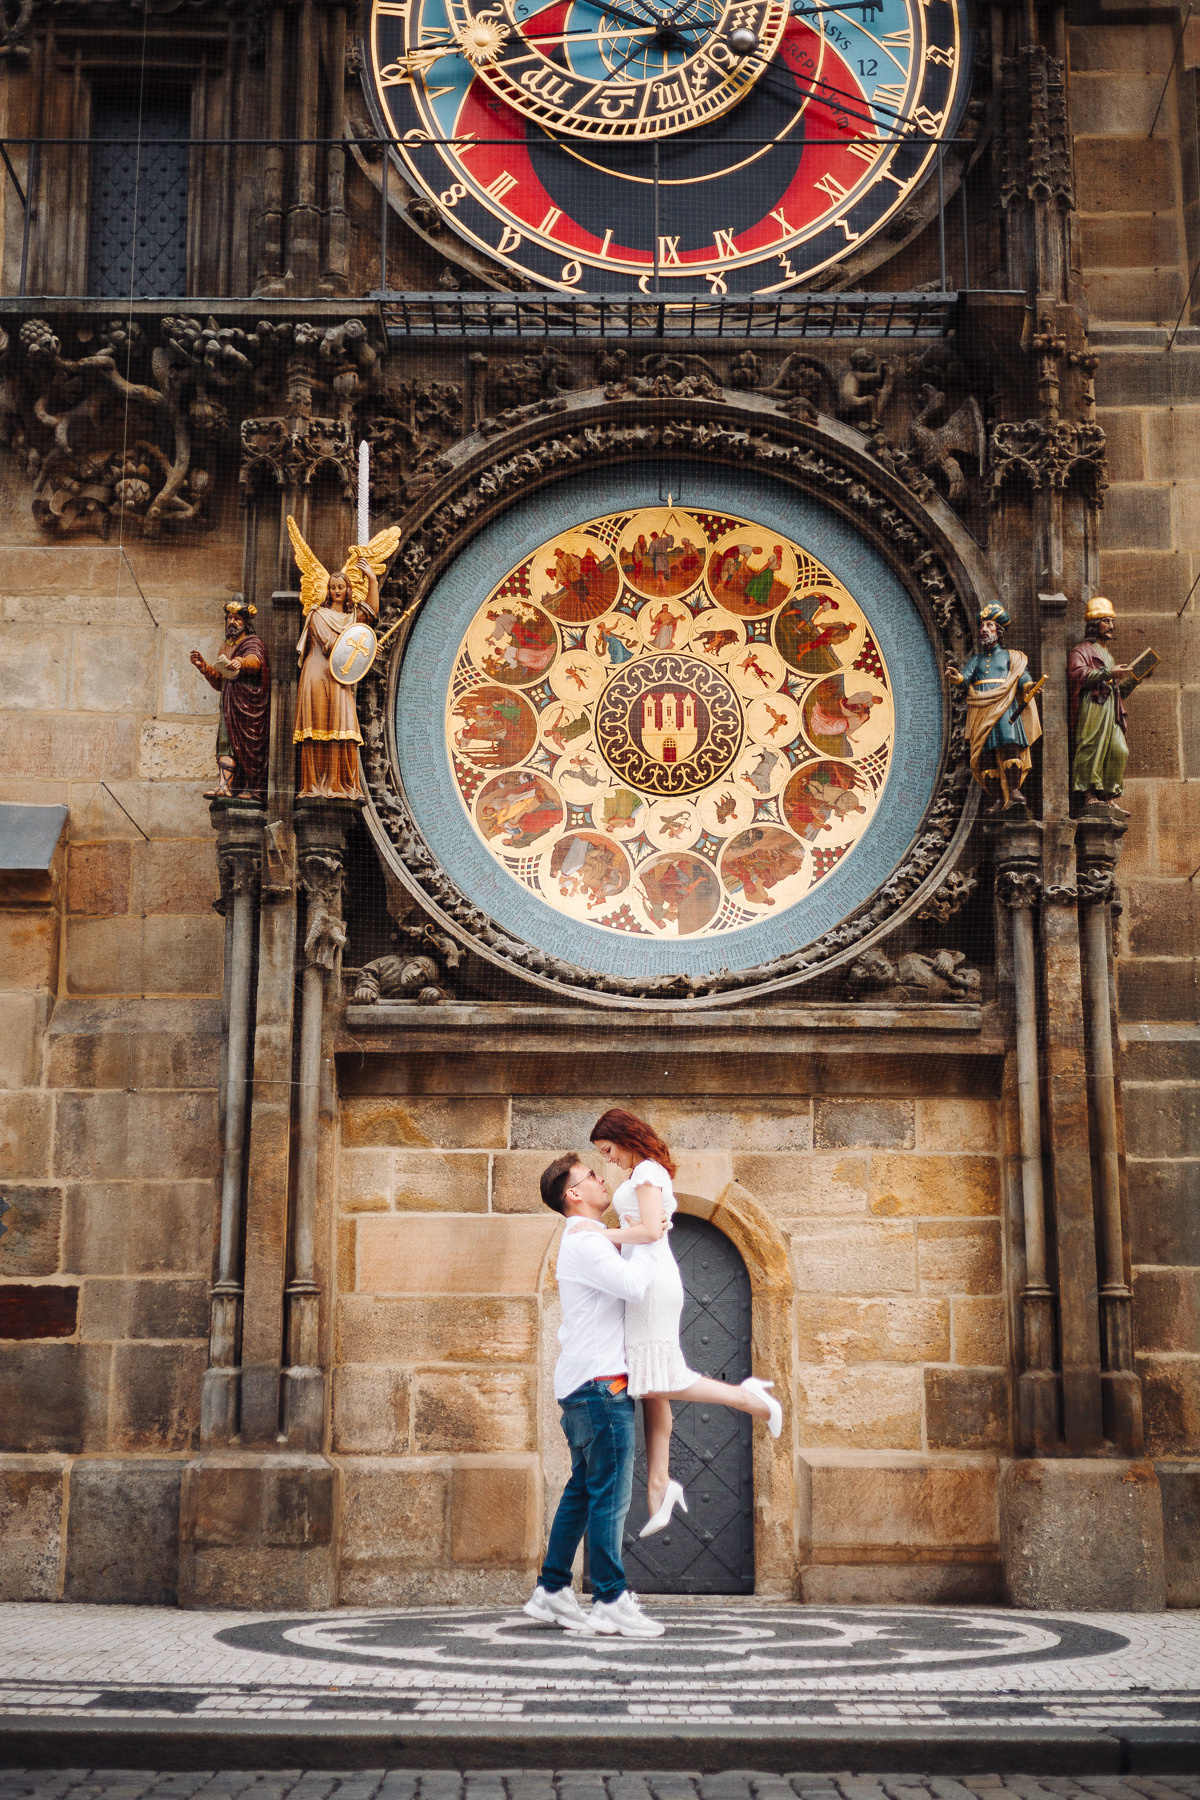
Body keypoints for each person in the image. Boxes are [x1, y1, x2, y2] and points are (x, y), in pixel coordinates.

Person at [589, 1108, 782, 1537]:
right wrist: (626, 1231)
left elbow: (653, 1233)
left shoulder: (647, 1174)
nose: (608, 1161)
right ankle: (659, 1486)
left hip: (653, 1284)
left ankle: (749, 1399)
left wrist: (597, 1234)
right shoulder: (645, 1173)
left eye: (607, 1150)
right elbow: (647, 1227)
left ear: (622, 1138)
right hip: (642, 1280)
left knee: (657, 1380)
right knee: (650, 1385)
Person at [523, 1154, 664, 1639]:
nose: (603, 1178)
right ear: (574, 1194)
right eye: (592, 1175)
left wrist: (635, 1234)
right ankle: (609, 1598)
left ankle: (553, 1588)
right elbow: (633, 1287)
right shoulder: (585, 1239)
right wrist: (651, 1233)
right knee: (610, 1494)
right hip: (603, 1386)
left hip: (584, 1384)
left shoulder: (584, 1239)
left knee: (584, 1489)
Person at [947, 602, 1042, 811]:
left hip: (1005, 705)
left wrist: (1028, 685)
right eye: (982, 626)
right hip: (982, 708)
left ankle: (1015, 790)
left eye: (989, 626)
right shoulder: (977, 660)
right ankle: (997, 797)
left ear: (998, 631)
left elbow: (1021, 675)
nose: (984, 630)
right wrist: (956, 677)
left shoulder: (1011, 656)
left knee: (1010, 745)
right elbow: (965, 679)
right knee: (986, 752)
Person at [190, 595, 271, 802]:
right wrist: (205, 668)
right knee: (226, 743)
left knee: (248, 745)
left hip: (247, 706)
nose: (231, 622)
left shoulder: (253, 642)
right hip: (228, 703)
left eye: (237, 619)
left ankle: (252, 787)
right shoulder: (225, 646)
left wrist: (241, 662)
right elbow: (220, 682)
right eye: (229, 618)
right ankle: (224, 786)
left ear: (246, 623)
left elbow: (256, 661)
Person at [1068, 595, 1141, 814]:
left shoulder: (1108, 655)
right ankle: (1089, 795)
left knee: (1119, 750)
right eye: (1106, 621)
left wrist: (1137, 677)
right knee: (1091, 746)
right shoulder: (1081, 650)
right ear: (1094, 624)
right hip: (1093, 707)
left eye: (1111, 621)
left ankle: (1108, 795)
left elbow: (1119, 691)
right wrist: (1109, 672)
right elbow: (1077, 674)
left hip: (1111, 709)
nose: (1111, 626)